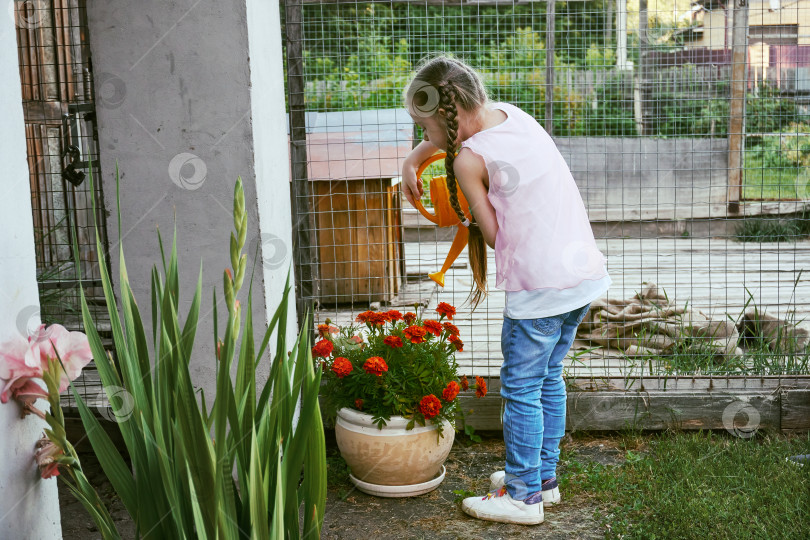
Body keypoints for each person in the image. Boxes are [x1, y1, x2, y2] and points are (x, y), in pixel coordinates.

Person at [400, 55, 611, 526]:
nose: (424, 138)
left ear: (446, 117)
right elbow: (460, 143)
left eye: (424, 129)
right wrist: (417, 155)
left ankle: (521, 498)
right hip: (580, 278)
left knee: (520, 389)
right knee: (548, 377)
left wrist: (462, 207)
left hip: (537, 289)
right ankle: (544, 482)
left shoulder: (469, 161)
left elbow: (495, 236)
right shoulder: (515, 116)